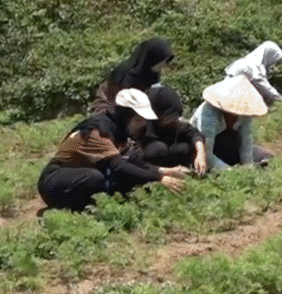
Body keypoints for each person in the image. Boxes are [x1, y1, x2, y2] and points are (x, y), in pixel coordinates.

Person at [39, 88, 188, 212]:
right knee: (95, 177)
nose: (141, 125)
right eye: (138, 120)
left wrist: (162, 170)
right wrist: (159, 178)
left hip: (80, 174)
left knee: (127, 171)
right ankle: (80, 211)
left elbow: (131, 160)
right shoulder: (97, 131)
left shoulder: (117, 130)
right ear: (125, 115)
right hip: (54, 182)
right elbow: (119, 165)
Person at [190, 75, 274, 170]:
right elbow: (207, 152)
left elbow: (246, 141)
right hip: (203, 145)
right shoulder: (208, 114)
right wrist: (230, 171)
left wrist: (248, 167)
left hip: (228, 142)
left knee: (266, 155)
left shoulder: (245, 112)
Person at [90, 37, 175, 114]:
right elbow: (116, 103)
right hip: (109, 112)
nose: (164, 66)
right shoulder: (124, 75)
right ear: (152, 59)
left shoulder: (152, 74)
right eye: (161, 63)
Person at [137, 86, 207, 175]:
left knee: (187, 146)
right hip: (150, 168)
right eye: (168, 116)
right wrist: (167, 171)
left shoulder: (174, 124)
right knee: (158, 149)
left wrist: (201, 153)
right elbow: (134, 160)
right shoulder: (141, 126)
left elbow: (193, 132)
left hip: (172, 162)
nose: (172, 120)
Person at [224, 41, 282, 105]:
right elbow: (264, 86)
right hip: (231, 90)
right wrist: (280, 98)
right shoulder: (254, 66)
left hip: (231, 88)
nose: (273, 62)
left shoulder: (252, 59)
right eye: (273, 58)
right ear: (269, 55)